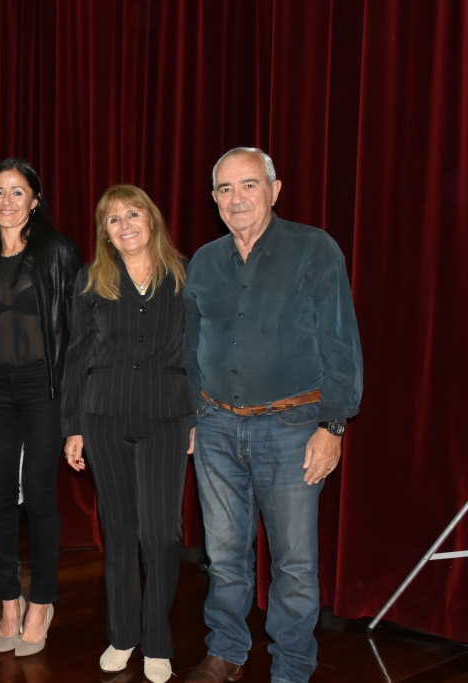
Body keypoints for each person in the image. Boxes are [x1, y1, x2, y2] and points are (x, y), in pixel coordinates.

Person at [183, 148, 363, 683]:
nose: (236, 199)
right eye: (225, 189)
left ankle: (291, 666)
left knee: (293, 563)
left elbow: (340, 344)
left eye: (248, 186)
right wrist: (193, 415)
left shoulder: (314, 250)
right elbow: (191, 347)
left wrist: (332, 427)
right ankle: (227, 651)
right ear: (214, 199)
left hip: (292, 429)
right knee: (223, 553)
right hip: (215, 428)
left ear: (274, 190)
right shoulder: (206, 261)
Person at [62, 185, 192, 683]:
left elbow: (199, 351)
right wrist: (72, 428)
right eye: (113, 219)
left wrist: (196, 420)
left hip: (167, 416)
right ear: (105, 232)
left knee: (161, 533)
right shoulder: (91, 281)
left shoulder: (183, 276)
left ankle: (157, 639)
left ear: (152, 220)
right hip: (104, 418)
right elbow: (76, 357)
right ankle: (123, 635)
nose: (124, 225)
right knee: (117, 532)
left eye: (132, 214)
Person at [0, 158, 80, 656]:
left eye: (18, 193)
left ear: (36, 199)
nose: (7, 202)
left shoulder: (58, 252)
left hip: (42, 389)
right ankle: (9, 599)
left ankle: (43, 600)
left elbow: (76, 336)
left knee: (37, 494)